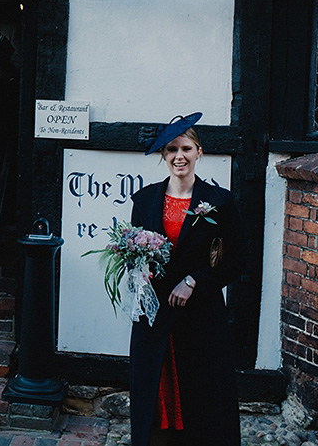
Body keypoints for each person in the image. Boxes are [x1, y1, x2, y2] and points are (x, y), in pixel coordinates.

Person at [128, 113, 242, 446]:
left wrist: (194, 280)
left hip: (201, 316)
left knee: (201, 389)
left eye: (187, 148)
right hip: (156, 315)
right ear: (164, 155)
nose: (180, 156)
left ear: (199, 152)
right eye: (172, 149)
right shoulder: (145, 200)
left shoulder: (220, 202)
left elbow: (237, 262)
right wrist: (141, 272)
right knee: (155, 383)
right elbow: (136, 254)